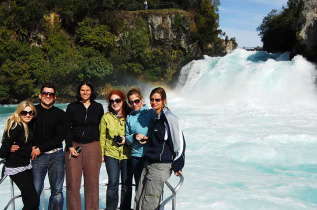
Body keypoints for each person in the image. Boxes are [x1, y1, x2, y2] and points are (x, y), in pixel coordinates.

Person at [134, 87, 186, 210]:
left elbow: (180, 142)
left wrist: (178, 164)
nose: (154, 102)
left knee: (149, 202)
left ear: (164, 101)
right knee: (139, 199)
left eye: (157, 100)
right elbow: (162, 140)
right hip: (149, 163)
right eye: (152, 99)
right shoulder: (156, 117)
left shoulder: (170, 118)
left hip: (160, 166)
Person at [65, 81, 104, 210]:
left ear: (91, 92)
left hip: (93, 146)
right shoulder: (72, 107)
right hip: (74, 146)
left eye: (87, 90)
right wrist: (69, 145)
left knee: (92, 183)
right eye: (82, 90)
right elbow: (67, 128)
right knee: (73, 183)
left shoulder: (98, 107)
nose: (85, 92)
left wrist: (102, 150)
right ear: (79, 92)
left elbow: (101, 129)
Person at [31, 82, 68, 210]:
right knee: (35, 191)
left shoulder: (61, 114)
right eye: (45, 93)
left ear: (55, 97)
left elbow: (60, 137)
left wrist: (40, 148)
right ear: (40, 95)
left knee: (57, 192)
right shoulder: (32, 112)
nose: (48, 96)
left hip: (56, 155)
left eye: (51, 94)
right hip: (37, 157)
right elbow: (22, 130)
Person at [0, 100, 39, 210]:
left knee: (28, 200)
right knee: (33, 201)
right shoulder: (15, 126)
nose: (27, 115)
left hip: (26, 165)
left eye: (30, 112)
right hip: (15, 167)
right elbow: (2, 152)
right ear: (19, 112)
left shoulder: (28, 125)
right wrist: (8, 148)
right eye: (24, 112)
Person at [99, 90, 132, 210]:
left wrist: (126, 139)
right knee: (113, 183)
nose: (115, 103)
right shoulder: (106, 117)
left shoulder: (130, 116)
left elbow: (135, 133)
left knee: (126, 184)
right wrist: (101, 154)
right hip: (110, 153)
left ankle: (125, 208)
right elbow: (102, 137)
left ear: (123, 101)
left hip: (127, 154)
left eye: (117, 100)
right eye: (112, 101)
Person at [125, 88, 155, 190]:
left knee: (151, 187)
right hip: (136, 156)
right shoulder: (129, 117)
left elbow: (159, 131)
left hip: (149, 155)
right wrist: (134, 136)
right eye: (131, 102)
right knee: (139, 186)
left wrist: (149, 138)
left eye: (136, 101)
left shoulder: (151, 113)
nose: (134, 104)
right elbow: (127, 139)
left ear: (141, 99)